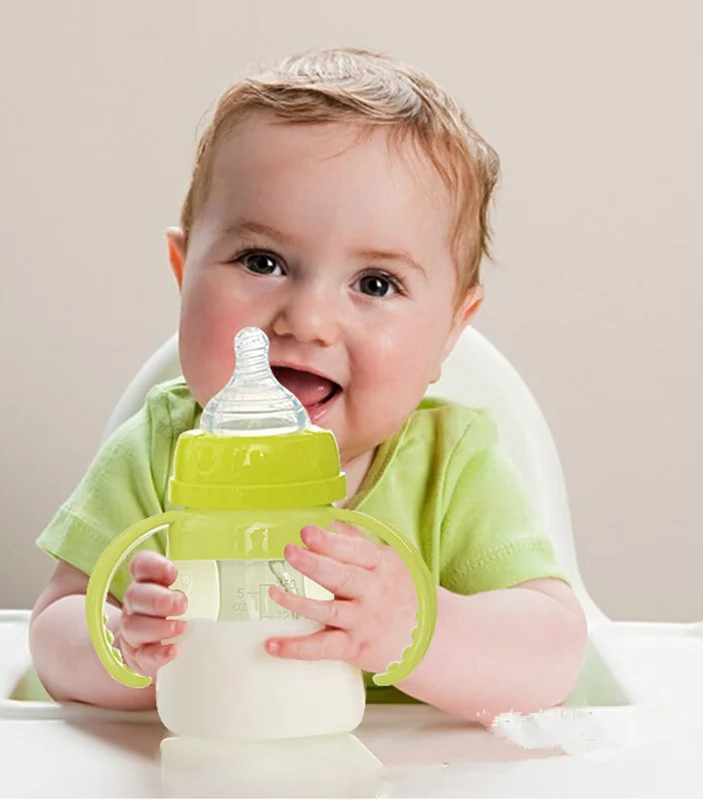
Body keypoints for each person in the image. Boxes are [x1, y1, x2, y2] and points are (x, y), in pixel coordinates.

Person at [29, 47, 587, 725]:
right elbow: (54, 626)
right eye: (262, 261)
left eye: (376, 283)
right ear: (184, 271)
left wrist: (419, 629)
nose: (310, 320)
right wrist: (122, 648)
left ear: (450, 331)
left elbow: (554, 651)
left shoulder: (453, 465)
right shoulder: (157, 450)